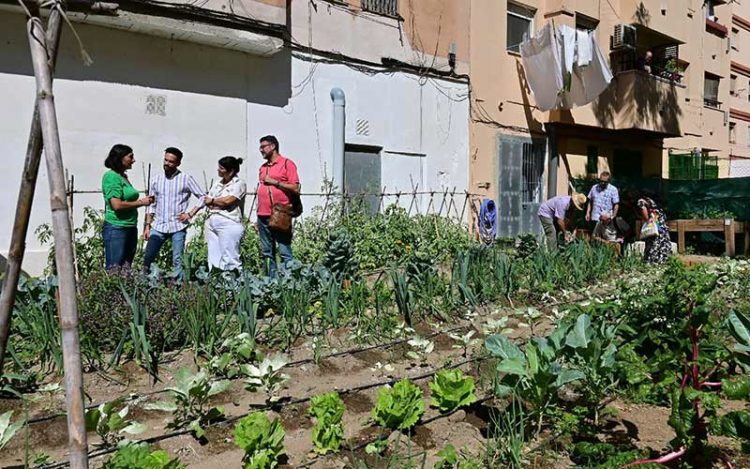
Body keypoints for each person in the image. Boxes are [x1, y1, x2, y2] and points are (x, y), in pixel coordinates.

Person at [142, 147, 206, 280]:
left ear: (178, 163)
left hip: (178, 225)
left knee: (178, 260)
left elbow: (203, 197)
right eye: (165, 160)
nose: (167, 163)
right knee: (148, 257)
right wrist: (147, 226)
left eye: (171, 161)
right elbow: (151, 204)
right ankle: (144, 283)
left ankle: (178, 288)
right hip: (158, 225)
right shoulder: (156, 179)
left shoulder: (185, 179)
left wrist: (190, 214)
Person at [101, 144, 154, 270]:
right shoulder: (111, 176)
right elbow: (116, 205)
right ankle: (113, 290)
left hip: (129, 226)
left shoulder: (123, 176)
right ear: (120, 158)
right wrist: (142, 202)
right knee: (115, 269)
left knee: (125, 268)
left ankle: (124, 290)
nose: (133, 160)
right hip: (117, 228)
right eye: (130, 157)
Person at [256, 135, 300, 277]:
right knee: (267, 251)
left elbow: (295, 188)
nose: (261, 150)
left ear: (273, 146)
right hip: (263, 215)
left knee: (284, 250)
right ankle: (271, 281)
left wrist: (275, 182)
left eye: (263, 146)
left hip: (280, 214)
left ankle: (288, 281)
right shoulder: (263, 168)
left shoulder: (287, 164)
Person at [204, 156, 247, 271]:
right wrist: (216, 202)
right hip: (213, 219)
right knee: (214, 256)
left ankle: (233, 283)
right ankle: (217, 281)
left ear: (231, 170)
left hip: (229, 222)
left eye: (221, 168)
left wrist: (214, 201)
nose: (218, 170)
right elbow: (207, 200)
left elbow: (228, 201)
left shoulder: (239, 183)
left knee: (230, 257)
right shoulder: (218, 183)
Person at [637, 197, 672, 264]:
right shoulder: (654, 198)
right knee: (662, 241)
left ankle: (652, 261)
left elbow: (644, 213)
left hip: (654, 222)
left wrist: (647, 220)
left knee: (653, 242)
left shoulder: (641, 201)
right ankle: (662, 260)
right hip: (660, 222)